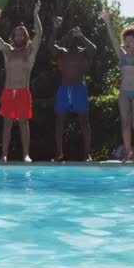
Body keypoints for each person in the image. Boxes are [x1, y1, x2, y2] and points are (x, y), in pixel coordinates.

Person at [0, 1, 43, 163]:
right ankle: (4, 155)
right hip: (8, 91)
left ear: (25, 37)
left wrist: (35, 15)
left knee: (23, 124)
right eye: (17, 34)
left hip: (23, 92)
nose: (19, 36)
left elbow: (39, 34)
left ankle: (26, 154)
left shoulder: (30, 52)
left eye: (22, 34)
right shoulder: (8, 51)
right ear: (13, 37)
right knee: (7, 124)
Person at [100, 7, 134, 162]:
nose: (128, 42)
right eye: (126, 40)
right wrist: (107, 22)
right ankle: (128, 151)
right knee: (125, 122)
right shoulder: (121, 55)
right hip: (123, 92)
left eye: (131, 40)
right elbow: (114, 40)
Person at [48, 17, 96, 161]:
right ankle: (59, 153)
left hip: (78, 89)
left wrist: (81, 36)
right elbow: (50, 46)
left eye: (76, 35)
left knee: (84, 121)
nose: (73, 37)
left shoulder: (83, 52)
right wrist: (56, 28)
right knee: (59, 121)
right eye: (72, 35)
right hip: (64, 89)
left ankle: (87, 154)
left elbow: (93, 49)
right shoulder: (62, 51)